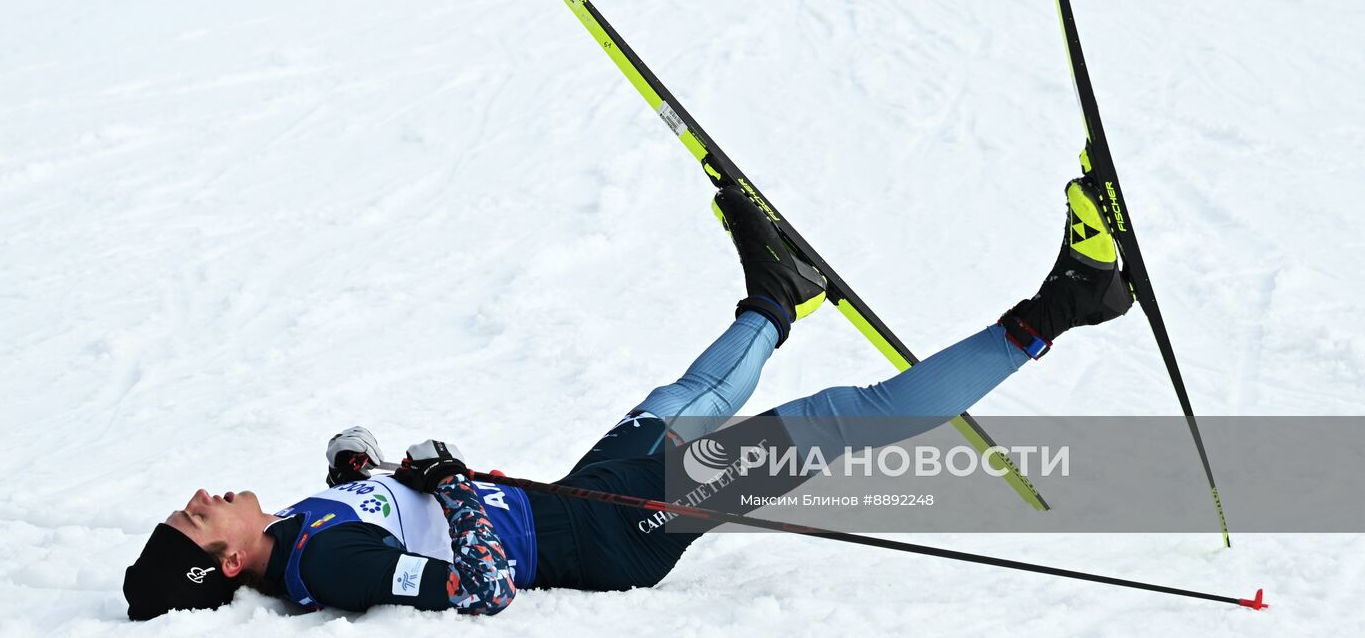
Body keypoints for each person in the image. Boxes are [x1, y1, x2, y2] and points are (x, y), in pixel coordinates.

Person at [123, 175, 1134, 621]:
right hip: (610, 536)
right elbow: (476, 587)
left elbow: (399, 515)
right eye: (196, 511)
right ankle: (1061, 305)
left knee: (681, 393)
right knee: (841, 419)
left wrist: (365, 466)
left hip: (578, 494)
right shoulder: (321, 563)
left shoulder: (303, 526)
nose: (205, 490)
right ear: (223, 558)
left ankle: (776, 295)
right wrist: (451, 485)